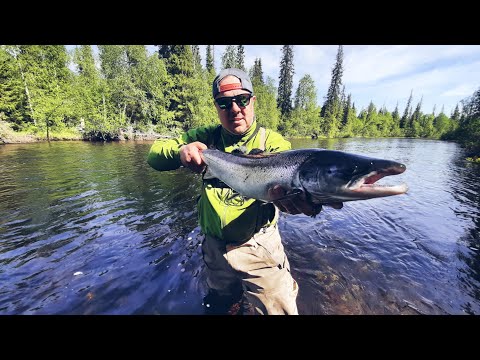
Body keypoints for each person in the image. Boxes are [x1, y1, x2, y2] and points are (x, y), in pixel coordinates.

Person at [147, 68, 330, 315]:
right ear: (216, 107)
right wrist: (181, 152)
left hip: (258, 246)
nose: (234, 108)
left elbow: (295, 184)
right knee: (222, 304)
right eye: (224, 103)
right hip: (214, 246)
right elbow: (154, 156)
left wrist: (306, 202)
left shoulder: (273, 144)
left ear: (253, 101)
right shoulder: (205, 138)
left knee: (280, 309)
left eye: (241, 100)